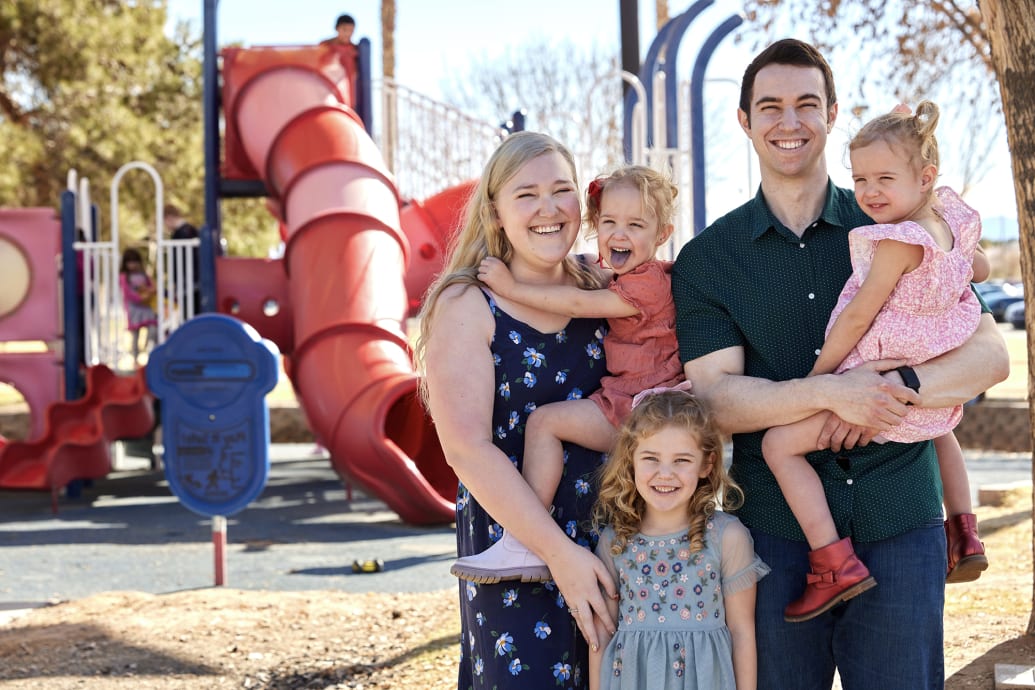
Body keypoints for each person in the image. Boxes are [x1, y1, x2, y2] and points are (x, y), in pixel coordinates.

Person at [671, 38, 1009, 688]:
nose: (788, 121)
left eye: (806, 104)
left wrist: (893, 388)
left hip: (899, 519)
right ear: (743, 120)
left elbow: (989, 355)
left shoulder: (896, 217)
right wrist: (834, 393)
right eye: (769, 106)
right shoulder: (708, 259)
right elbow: (715, 399)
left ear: (830, 113)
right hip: (772, 537)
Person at [760, 100, 990, 623]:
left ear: (925, 176)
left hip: (875, 376)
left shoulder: (897, 241)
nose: (868, 193)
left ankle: (831, 560)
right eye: (860, 178)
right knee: (943, 429)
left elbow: (859, 315)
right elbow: (974, 264)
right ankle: (965, 529)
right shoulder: (951, 221)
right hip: (926, 379)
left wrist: (819, 380)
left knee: (779, 445)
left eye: (884, 177)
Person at [413, 131, 619, 689]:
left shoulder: (606, 291)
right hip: (519, 554)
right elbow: (466, 448)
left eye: (562, 190)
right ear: (496, 212)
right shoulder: (467, 304)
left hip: (620, 540)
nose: (549, 209)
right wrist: (560, 556)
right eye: (526, 195)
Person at [450, 165, 684, 584]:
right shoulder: (622, 275)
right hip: (634, 403)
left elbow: (577, 304)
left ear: (661, 235)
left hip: (638, 410)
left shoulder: (647, 284)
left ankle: (522, 541)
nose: (619, 235)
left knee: (545, 423)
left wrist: (510, 289)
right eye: (609, 222)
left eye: (635, 225)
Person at [588, 388, 768, 690]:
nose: (665, 474)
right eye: (651, 458)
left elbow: (741, 632)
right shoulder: (615, 540)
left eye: (682, 460)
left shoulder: (728, 537)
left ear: (706, 465)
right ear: (631, 460)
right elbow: (602, 634)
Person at [119, 248, 158, 363]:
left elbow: (153, 287)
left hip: (146, 308)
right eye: (130, 262)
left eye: (135, 262)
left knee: (153, 329)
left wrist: (149, 293)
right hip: (134, 309)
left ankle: (150, 351)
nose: (133, 265)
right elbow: (127, 293)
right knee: (135, 335)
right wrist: (140, 298)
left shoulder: (144, 275)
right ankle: (135, 359)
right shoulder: (124, 277)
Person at [162, 204, 201, 317]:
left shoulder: (183, 233)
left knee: (189, 314)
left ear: (169, 218)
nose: (165, 226)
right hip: (188, 281)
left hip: (189, 282)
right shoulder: (189, 231)